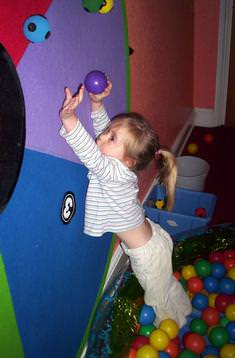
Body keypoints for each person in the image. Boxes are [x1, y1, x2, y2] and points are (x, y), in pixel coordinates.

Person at [59, 81, 192, 328]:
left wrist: (69, 118)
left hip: (147, 253)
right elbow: (103, 141)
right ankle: (185, 309)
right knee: (165, 284)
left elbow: (92, 154)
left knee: (157, 296)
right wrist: (97, 104)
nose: (102, 136)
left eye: (111, 137)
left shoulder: (114, 172)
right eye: (108, 131)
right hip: (153, 239)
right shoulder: (121, 167)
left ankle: (176, 328)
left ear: (129, 161)